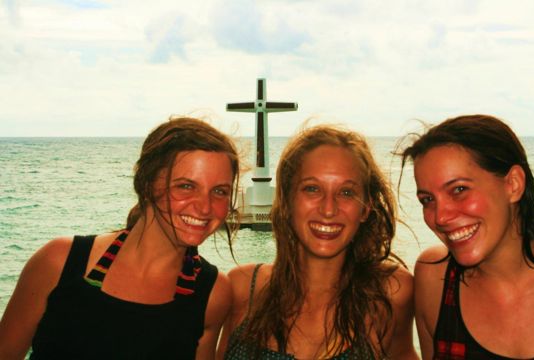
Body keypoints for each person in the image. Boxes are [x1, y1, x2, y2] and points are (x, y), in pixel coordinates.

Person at [0, 117, 240, 359]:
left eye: (220, 191)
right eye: (186, 186)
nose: (205, 207)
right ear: (146, 184)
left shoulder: (212, 293)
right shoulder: (61, 262)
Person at [218, 125, 418, 359]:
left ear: (366, 208)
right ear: (287, 201)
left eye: (346, 193)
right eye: (312, 189)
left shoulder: (391, 293)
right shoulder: (241, 288)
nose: (328, 209)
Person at [399, 114, 534, 359]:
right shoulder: (435, 279)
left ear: (513, 184)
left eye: (459, 190)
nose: (440, 217)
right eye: (427, 200)